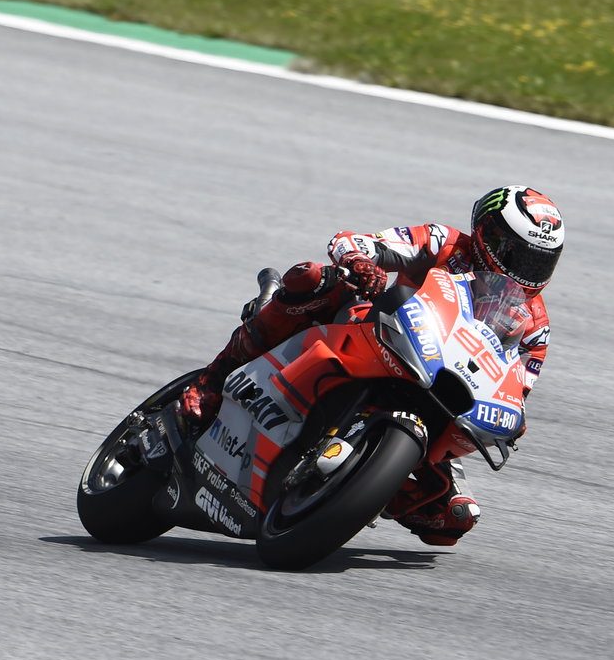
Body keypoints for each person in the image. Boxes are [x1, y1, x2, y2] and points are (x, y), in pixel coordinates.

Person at [175, 185, 563, 546]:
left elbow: (517, 386)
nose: (529, 270)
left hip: (441, 389)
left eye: (540, 262)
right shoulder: (443, 242)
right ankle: (212, 381)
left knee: (453, 519)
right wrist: (361, 262)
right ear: (487, 236)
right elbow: (350, 241)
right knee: (317, 279)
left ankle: (363, 487)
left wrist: (511, 420)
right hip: (379, 332)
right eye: (519, 256)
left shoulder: (535, 326)